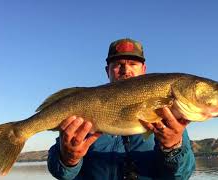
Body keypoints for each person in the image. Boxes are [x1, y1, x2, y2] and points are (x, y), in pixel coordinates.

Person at [47, 38, 196, 179]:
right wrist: (68, 160)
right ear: (108, 71)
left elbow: (181, 175)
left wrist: (173, 147)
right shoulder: (85, 108)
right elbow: (61, 173)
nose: (126, 70)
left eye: (133, 64)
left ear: (143, 69)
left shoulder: (169, 118)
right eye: (118, 64)